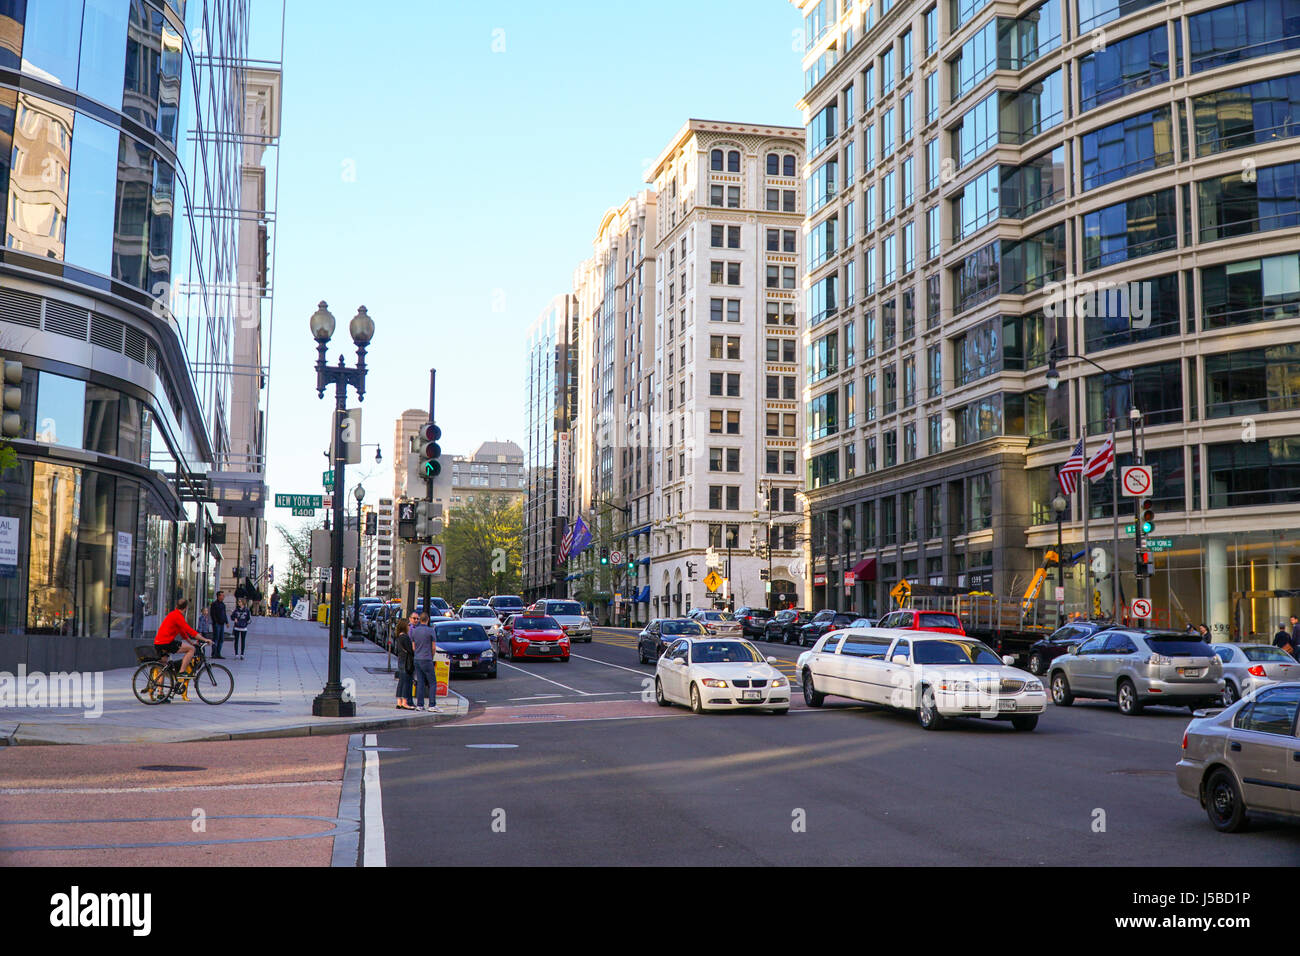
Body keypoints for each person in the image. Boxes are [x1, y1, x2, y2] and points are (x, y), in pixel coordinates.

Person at [153, 598, 211, 698]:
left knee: (162, 667)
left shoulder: (173, 614)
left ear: (177, 606)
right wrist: (205, 639)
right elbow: (190, 630)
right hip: (166, 643)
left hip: (158, 642)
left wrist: (191, 642)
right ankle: (182, 672)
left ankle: (160, 694)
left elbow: (183, 633)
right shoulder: (178, 616)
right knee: (191, 650)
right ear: (186, 608)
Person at [409, 612, 440, 713]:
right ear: (427, 620)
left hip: (417, 658)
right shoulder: (430, 631)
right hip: (427, 658)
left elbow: (413, 647)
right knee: (432, 682)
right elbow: (434, 647)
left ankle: (420, 705)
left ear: (420, 619)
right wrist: (432, 656)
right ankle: (432, 704)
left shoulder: (414, 631)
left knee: (420, 682)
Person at [393, 619, 415, 710]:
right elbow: (410, 650)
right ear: (404, 626)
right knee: (406, 681)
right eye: (408, 625)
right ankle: (405, 702)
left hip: (401, 660)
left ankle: (399, 702)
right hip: (407, 661)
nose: (410, 627)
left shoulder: (398, 637)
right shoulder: (405, 637)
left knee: (401, 681)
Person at [209, 591, 229, 659]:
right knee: (216, 639)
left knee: (221, 639)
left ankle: (218, 653)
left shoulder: (223, 605)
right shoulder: (214, 604)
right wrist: (215, 622)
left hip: (222, 624)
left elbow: (224, 614)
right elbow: (213, 614)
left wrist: (226, 622)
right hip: (217, 624)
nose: (223, 597)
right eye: (222, 595)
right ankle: (214, 653)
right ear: (218, 596)